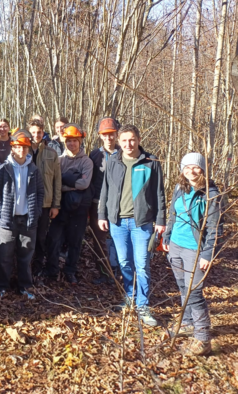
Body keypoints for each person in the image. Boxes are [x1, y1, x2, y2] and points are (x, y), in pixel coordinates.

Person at [98, 124, 166, 327]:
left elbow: (159, 193)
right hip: (117, 222)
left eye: (132, 139)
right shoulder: (114, 161)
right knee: (124, 263)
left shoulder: (150, 162)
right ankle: (130, 296)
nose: (128, 144)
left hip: (141, 222)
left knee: (142, 264)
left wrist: (161, 220)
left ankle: (143, 305)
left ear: (138, 139)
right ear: (119, 141)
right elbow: (105, 189)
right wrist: (102, 214)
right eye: (124, 140)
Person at [162, 153, 223, 356]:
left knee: (194, 292)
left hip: (195, 250)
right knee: (182, 287)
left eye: (196, 167)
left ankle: (203, 338)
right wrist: (167, 238)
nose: (191, 171)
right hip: (176, 246)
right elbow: (172, 214)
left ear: (203, 169)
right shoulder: (180, 188)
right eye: (186, 167)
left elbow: (215, 228)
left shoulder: (210, 194)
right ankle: (187, 323)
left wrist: (207, 254)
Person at [0, 129, 44, 299]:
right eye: (18, 147)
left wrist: (36, 211)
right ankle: (2, 286)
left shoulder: (34, 169)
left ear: (28, 149)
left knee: (26, 255)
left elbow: (41, 192)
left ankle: (25, 287)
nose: (21, 150)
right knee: (4, 255)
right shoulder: (4, 168)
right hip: (7, 220)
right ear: (13, 148)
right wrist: (0, 211)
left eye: (25, 147)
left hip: (27, 220)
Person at [45, 124, 93, 284]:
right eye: (68, 141)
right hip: (60, 207)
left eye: (74, 141)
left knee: (75, 242)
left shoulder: (87, 162)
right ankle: (52, 271)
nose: (71, 144)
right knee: (53, 239)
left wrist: (64, 183)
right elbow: (54, 183)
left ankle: (70, 270)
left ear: (80, 142)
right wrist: (71, 181)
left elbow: (83, 184)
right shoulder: (59, 160)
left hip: (79, 209)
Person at [88, 117, 122, 285]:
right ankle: (105, 273)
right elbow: (90, 181)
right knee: (99, 241)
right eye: (105, 135)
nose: (109, 138)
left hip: (121, 205)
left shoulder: (125, 153)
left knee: (119, 238)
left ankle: (122, 271)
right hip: (98, 203)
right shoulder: (94, 155)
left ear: (116, 134)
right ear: (100, 136)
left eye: (112, 134)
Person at [26, 119, 61, 270]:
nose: (36, 135)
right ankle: (25, 266)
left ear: (43, 132)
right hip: (26, 203)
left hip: (45, 203)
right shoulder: (22, 150)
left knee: (41, 237)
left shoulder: (51, 153)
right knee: (26, 237)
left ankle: (38, 267)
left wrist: (55, 204)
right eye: (33, 132)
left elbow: (57, 181)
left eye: (39, 132)